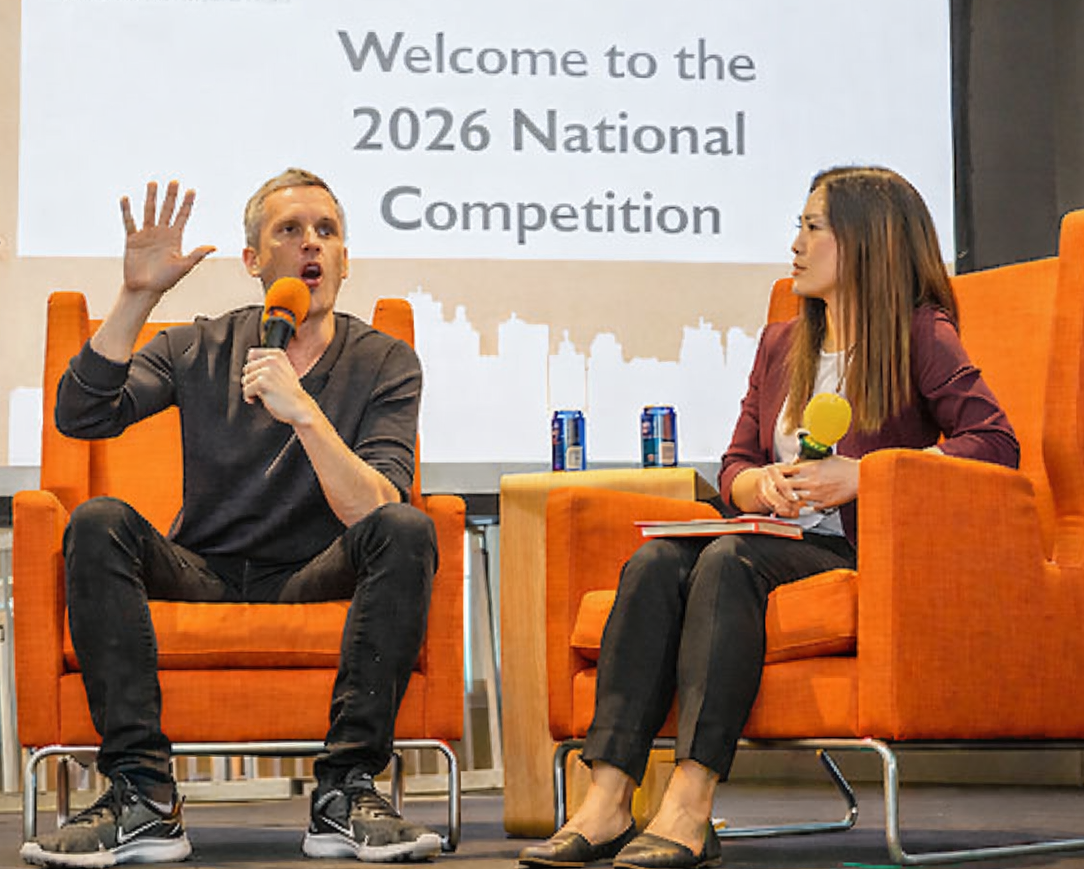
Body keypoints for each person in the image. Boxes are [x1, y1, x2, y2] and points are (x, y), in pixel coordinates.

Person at [517, 165, 1020, 869]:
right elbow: (735, 463)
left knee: (728, 561)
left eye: (813, 226)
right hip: (773, 536)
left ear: (867, 241)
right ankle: (605, 799)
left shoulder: (920, 333)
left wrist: (864, 475)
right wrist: (758, 485)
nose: (796, 242)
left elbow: (996, 444)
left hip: (851, 551)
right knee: (657, 561)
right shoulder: (783, 344)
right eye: (800, 225)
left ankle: (691, 804)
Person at [20, 169, 442, 867]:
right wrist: (136, 297)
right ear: (254, 262)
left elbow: (376, 506)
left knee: (406, 528)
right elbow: (81, 415)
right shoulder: (199, 346)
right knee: (97, 521)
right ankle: (144, 797)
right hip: (204, 568)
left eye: (326, 231)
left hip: (315, 570)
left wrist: (304, 410)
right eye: (290, 230)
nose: (312, 243)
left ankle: (343, 793)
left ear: (344, 260)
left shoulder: (383, 361)